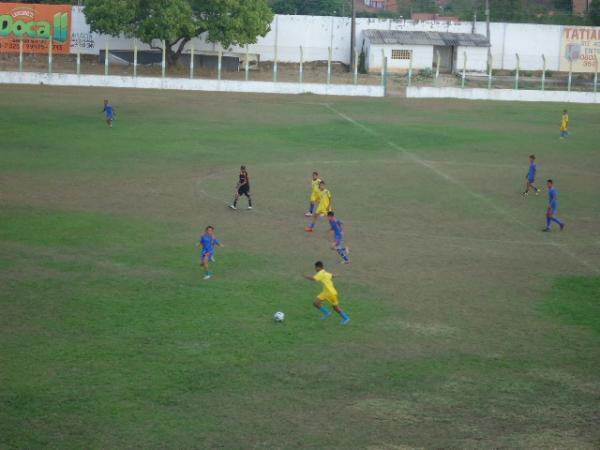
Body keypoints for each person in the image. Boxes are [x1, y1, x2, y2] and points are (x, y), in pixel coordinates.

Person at [303, 261, 350, 325]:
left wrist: (305, 276)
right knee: (315, 303)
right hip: (325, 292)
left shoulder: (320, 273)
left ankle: (346, 318)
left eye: (316, 268)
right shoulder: (325, 272)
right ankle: (327, 313)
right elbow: (332, 276)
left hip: (331, 293)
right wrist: (337, 275)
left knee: (335, 308)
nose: (315, 269)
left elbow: (314, 279)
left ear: (319, 267)